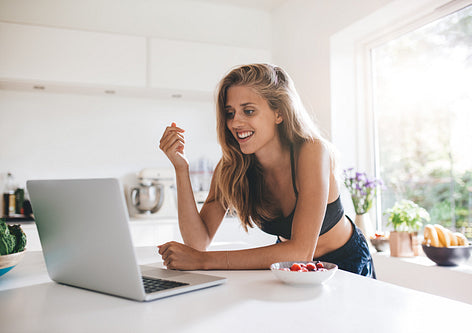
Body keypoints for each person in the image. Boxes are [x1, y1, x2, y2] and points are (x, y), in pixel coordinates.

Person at [158, 63, 375, 277]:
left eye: (248, 111)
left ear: (278, 113)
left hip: (347, 264)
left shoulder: (312, 151)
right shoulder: (231, 166)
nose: (235, 122)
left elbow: (300, 251)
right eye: (230, 113)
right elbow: (198, 242)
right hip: (292, 271)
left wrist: (204, 261)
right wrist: (181, 169)